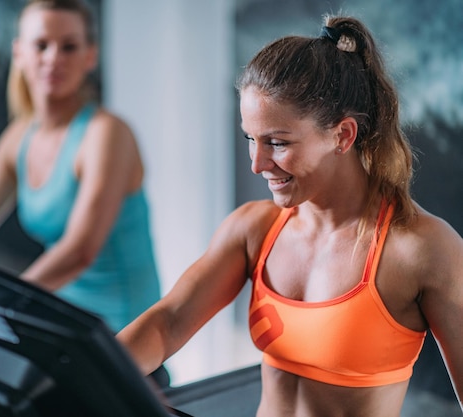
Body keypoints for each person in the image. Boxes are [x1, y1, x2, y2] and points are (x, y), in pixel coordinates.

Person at [117, 15, 463, 416]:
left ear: (343, 135)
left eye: (277, 143)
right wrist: (84, 379)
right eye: (251, 138)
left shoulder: (421, 250)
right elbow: (169, 322)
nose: (258, 163)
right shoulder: (253, 228)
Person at [0, 0, 162, 338]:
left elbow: (79, 251)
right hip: (61, 322)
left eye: (69, 46)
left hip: (125, 336)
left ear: (90, 56)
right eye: (41, 45)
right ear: (19, 53)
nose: (54, 57)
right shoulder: (18, 139)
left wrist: (0, 306)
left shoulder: (106, 133)